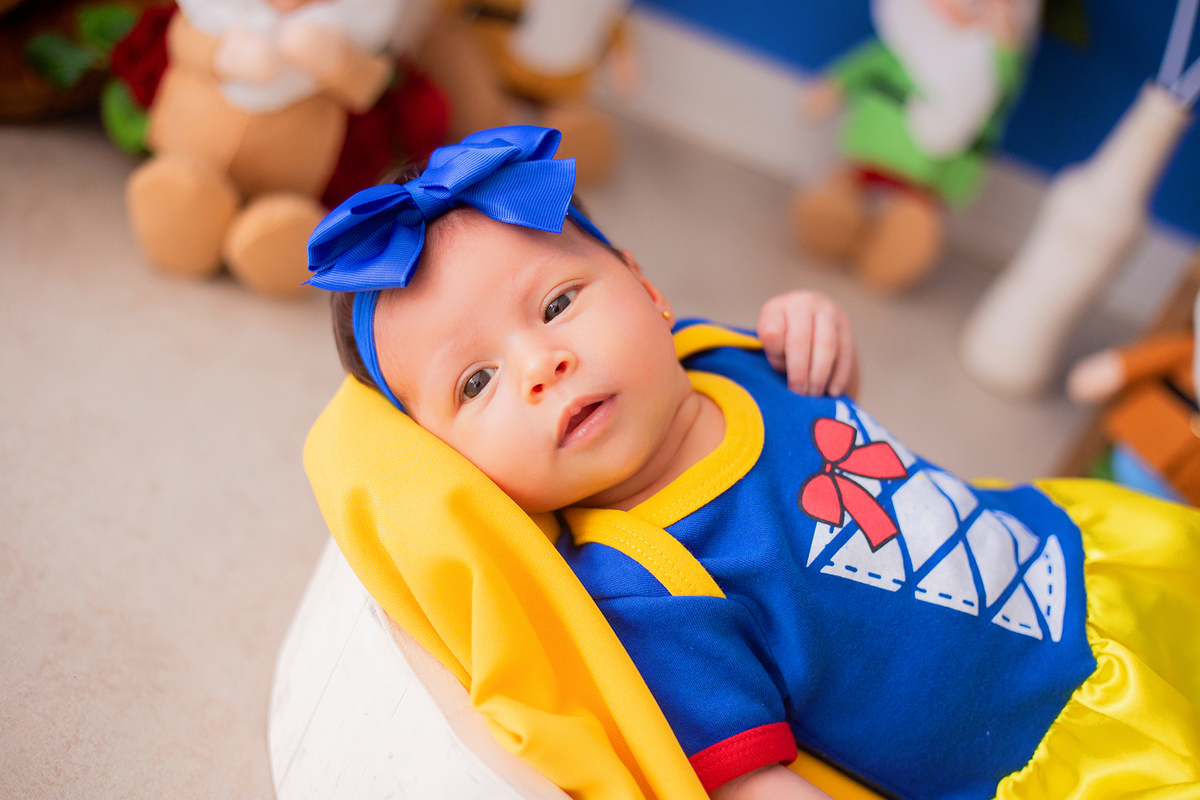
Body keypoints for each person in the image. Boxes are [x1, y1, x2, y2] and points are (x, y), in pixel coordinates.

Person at [307, 126, 1200, 800]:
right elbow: (749, 778)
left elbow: (833, 432)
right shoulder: (641, 585)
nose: (543, 365)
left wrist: (817, 334)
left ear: (648, 289)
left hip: (1075, 559)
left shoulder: (720, 358)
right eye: (476, 382)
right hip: (1055, 750)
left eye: (558, 303)